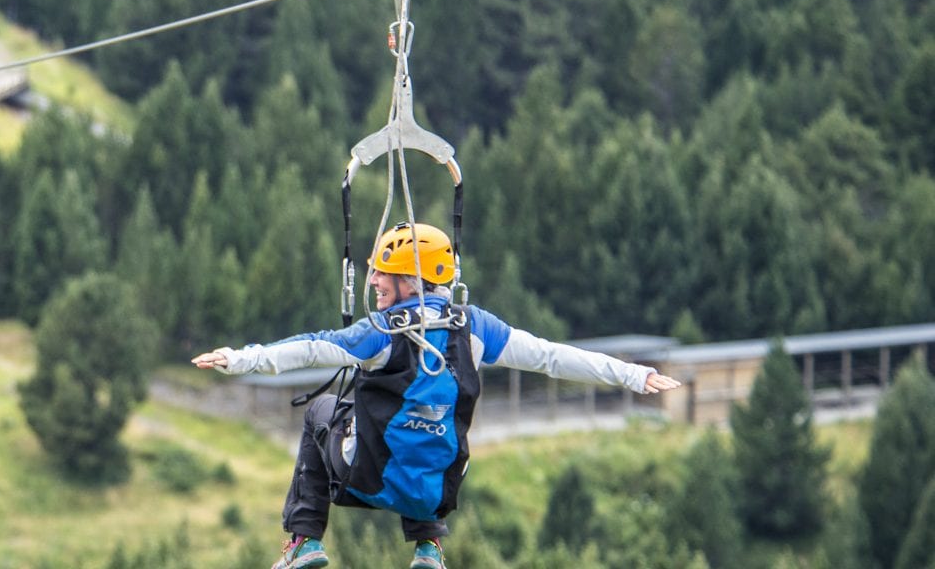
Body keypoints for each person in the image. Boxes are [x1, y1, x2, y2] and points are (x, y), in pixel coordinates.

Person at [191, 223, 680, 569]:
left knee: (323, 411)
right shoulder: (477, 327)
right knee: (422, 438)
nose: (375, 282)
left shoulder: (381, 331)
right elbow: (553, 357)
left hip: (369, 474)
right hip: (438, 488)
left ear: (410, 280)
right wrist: (634, 376)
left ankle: (303, 540)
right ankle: (428, 549)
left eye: (383, 273)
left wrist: (242, 358)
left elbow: (310, 349)